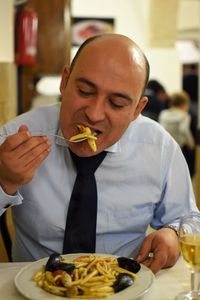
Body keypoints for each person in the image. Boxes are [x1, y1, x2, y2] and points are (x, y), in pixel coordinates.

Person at [0, 34, 198, 273]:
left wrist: (174, 234)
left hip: (125, 286)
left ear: (137, 109)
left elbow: (190, 220)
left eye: (116, 104)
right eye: (84, 91)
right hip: (32, 286)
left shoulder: (159, 148)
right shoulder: (19, 135)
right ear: (65, 81)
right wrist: (4, 181)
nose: (94, 114)